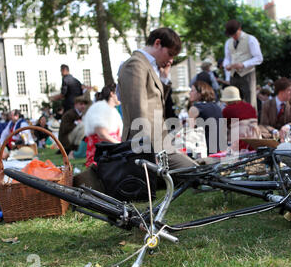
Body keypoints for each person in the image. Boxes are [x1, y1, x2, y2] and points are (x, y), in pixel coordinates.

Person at [118, 27, 197, 169]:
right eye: (170, 54)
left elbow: (156, 101)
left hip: (160, 141)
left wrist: (164, 79)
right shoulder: (135, 64)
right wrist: (146, 152)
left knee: (195, 170)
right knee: (193, 172)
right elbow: (138, 110)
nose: (171, 60)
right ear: (157, 43)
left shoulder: (150, 66)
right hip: (146, 144)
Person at [223, 19, 263, 112]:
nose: (233, 37)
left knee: (249, 102)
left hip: (247, 74)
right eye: (231, 35)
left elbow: (259, 58)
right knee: (233, 102)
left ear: (240, 29)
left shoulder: (251, 39)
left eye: (235, 34)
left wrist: (243, 64)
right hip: (234, 75)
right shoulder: (228, 42)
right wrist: (226, 65)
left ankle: (252, 125)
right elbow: (227, 58)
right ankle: (235, 125)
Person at [83, 83, 123, 167]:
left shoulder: (112, 110)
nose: (122, 95)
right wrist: (120, 145)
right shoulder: (100, 107)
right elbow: (101, 134)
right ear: (112, 94)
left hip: (109, 152)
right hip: (102, 155)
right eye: (119, 92)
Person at [188, 81, 223, 155]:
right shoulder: (217, 107)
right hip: (221, 151)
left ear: (200, 93)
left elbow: (190, 133)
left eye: (192, 91)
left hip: (205, 153)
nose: (189, 93)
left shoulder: (194, 109)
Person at [221, 86, 260, 151]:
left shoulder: (227, 110)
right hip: (255, 138)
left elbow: (223, 128)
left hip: (239, 142)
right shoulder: (250, 106)